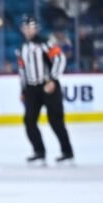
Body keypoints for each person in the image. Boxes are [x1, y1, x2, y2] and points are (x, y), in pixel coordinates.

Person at [17, 15, 75, 165]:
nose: (28, 30)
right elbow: (22, 70)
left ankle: (67, 153)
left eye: (31, 28)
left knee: (55, 121)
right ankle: (39, 152)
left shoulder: (45, 43)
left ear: (37, 29)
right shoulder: (22, 47)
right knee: (29, 121)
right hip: (31, 88)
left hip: (48, 86)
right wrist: (23, 90)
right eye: (25, 28)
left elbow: (60, 58)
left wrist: (52, 79)